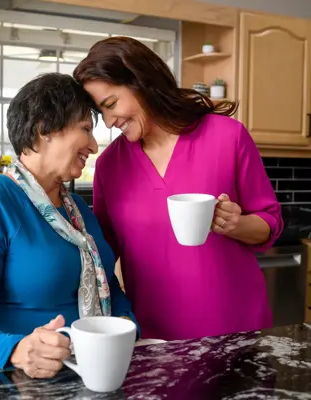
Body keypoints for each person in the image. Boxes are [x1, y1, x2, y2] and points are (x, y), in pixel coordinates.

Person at [73, 37, 283, 341]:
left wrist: (236, 224)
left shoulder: (228, 136)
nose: (108, 121)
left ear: (141, 82)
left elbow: (270, 223)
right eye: (100, 112)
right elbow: (103, 256)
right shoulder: (109, 165)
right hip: (156, 338)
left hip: (237, 331)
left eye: (111, 104)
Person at [0, 73, 139, 379]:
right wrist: (20, 350)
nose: (93, 145)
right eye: (85, 129)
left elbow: (110, 290)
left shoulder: (79, 211)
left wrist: (128, 327)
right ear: (44, 129)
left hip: (92, 373)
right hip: (19, 381)